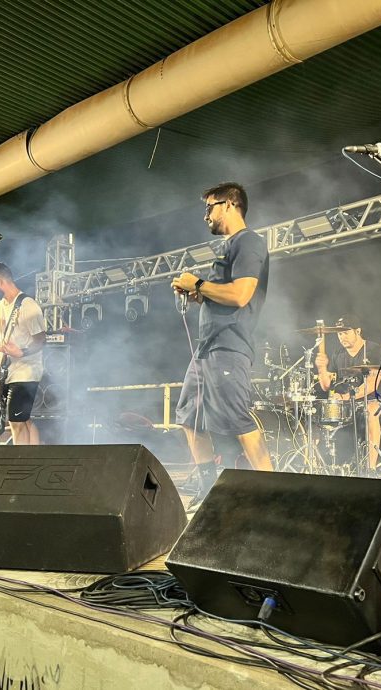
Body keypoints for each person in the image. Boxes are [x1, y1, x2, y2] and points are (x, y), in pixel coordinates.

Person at [171, 182, 273, 503]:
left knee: (238, 419)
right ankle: (208, 487)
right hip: (207, 349)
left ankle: (276, 493)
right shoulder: (230, 246)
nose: (206, 216)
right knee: (189, 417)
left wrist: (199, 283)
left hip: (229, 347)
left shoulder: (249, 242)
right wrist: (199, 294)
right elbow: (223, 297)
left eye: (209, 207)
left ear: (229, 204)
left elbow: (241, 295)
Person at [0, 262, 46, 445]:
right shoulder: (0, 306)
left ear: (1, 282)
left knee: (16, 422)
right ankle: (32, 458)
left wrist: (21, 352)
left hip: (26, 372)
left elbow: (41, 340)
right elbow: (3, 339)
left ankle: (19, 459)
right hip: (7, 373)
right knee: (24, 420)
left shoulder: (28, 305)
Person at [315, 315, 381, 474]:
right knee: (314, 414)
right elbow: (326, 386)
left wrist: (346, 397)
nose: (342, 337)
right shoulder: (337, 353)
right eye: (339, 334)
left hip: (372, 399)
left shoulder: (373, 349)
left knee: (370, 413)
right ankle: (317, 466)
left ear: (358, 331)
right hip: (345, 403)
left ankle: (371, 468)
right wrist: (321, 368)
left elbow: (371, 384)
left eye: (346, 332)